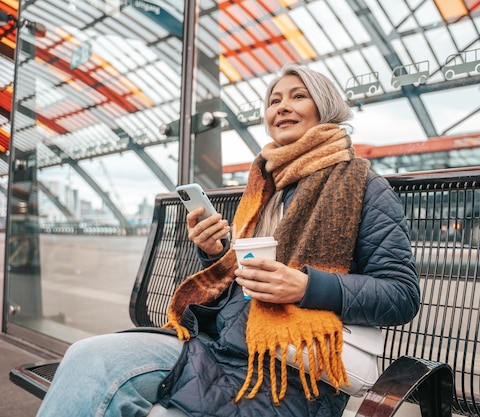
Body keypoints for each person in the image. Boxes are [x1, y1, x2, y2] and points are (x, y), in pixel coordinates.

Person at [36, 63, 420, 417]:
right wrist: (216, 253)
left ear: (326, 107)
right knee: (87, 357)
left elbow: (401, 295)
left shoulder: (364, 187)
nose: (282, 107)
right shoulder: (264, 187)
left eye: (298, 96)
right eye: (274, 100)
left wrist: (305, 286)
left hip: (292, 371)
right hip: (217, 347)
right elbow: (243, 283)